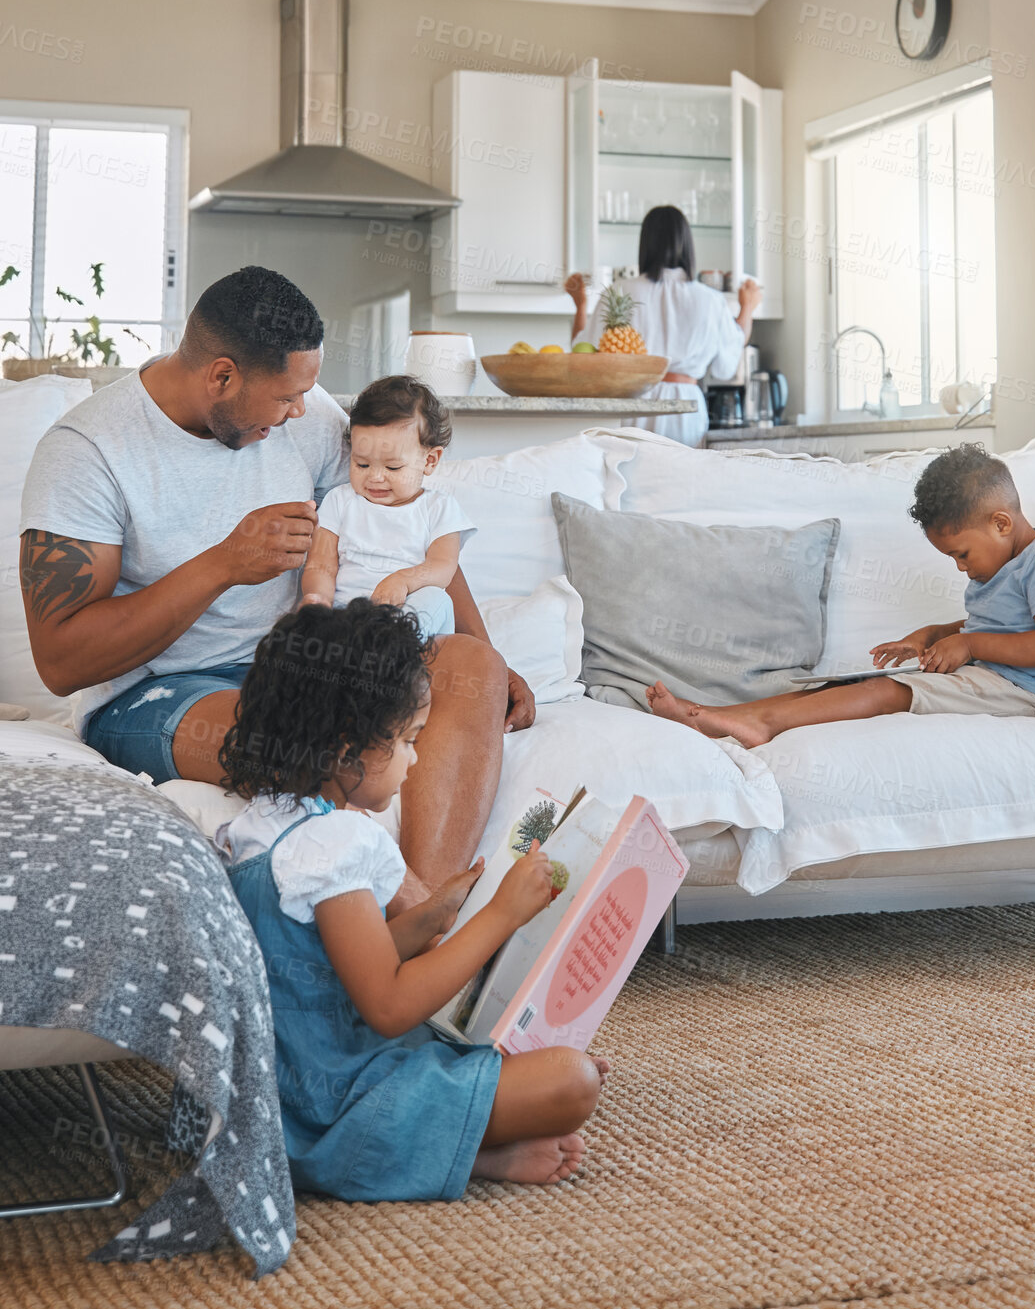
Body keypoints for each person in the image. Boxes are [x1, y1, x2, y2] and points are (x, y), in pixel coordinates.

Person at [18, 266, 534, 899]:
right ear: (222, 376)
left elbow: (399, 530)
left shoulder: (308, 417)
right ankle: (415, 928)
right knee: (301, 733)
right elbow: (61, 659)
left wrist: (489, 651)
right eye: (286, 399)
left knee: (472, 668)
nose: (301, 414)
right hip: (162, 692)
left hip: (307, 663)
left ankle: (423, 915)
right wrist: (224, 563)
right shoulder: (88, 450)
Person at [217, 598, 608, 1196]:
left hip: (286, 1088)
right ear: (348, 751)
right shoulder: (335, 842)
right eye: (406, 741)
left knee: (529, 1055)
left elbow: (328, 967)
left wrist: (431, 916)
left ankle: (463, 1140)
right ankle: (453, 1148)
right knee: (572, 1081)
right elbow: (390, 1006)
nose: (416, 758)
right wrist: (501, 916)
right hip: (328, 1110)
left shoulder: (267, 825)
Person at [647, 444, 1035, 747]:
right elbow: (992, 626)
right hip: (985, 676)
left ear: (1001, 523)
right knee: (848, 683)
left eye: (961, 554)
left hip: (1015, 692)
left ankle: (760, 725)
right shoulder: (1006, 559)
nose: (961, 566)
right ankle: (726, 715)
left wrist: (969, 644)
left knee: (883, 692)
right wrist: (932, 635)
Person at [565, 204, 761, 447]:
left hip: (635, 402)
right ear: (688, 244)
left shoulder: (620, 291)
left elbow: (583, 354)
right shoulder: (710, 299)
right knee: (683, 481)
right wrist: (748, 309)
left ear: (645, 244)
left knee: (633, 479)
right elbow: (727, 362)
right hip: (686, 408)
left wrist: (580, 304)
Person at [300, 375, 472, 641]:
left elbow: (443, 566)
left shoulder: (439, 508)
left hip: (410, 617)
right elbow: (321, 565)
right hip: (349, 619)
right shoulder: (340, 501)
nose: (375, 477)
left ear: (430, 460)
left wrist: (402, 581)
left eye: (393, 467)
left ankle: (392, 647)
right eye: (362, 464)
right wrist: (317, 600)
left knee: (437, 598)